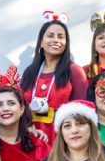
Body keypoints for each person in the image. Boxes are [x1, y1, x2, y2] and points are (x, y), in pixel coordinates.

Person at [19, 13, 89, 143]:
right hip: (29, 141)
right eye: (50, 36)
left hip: (60, 142)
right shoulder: (30, 72)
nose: (56, 40)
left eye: (61, 37)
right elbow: (19, 106)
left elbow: (81, 114)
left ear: (66, 43)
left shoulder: (74, 71)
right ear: (41, 42)